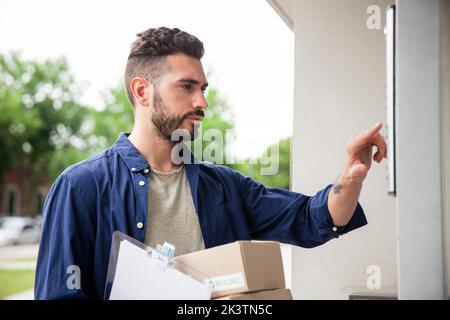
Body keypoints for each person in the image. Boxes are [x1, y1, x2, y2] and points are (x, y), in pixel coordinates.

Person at [35, 27, 387, 299]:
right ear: (142, 91)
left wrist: (351, 176)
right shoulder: (81, 187)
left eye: (203, 87)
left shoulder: (225, 187)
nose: (202, 101)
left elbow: (312, 220)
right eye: (187, 87)